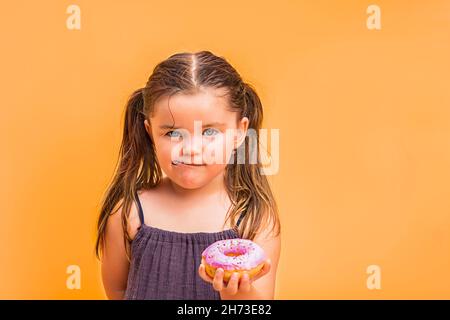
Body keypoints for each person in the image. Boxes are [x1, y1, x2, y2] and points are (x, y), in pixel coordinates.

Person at [95, 51, 281, 300]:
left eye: (209, 132)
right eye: (173, 133)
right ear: (150, 132)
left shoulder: (254, 218)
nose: (192, 148)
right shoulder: (128, 212)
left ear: (240, 132)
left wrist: (238, 294)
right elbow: (117, 290)